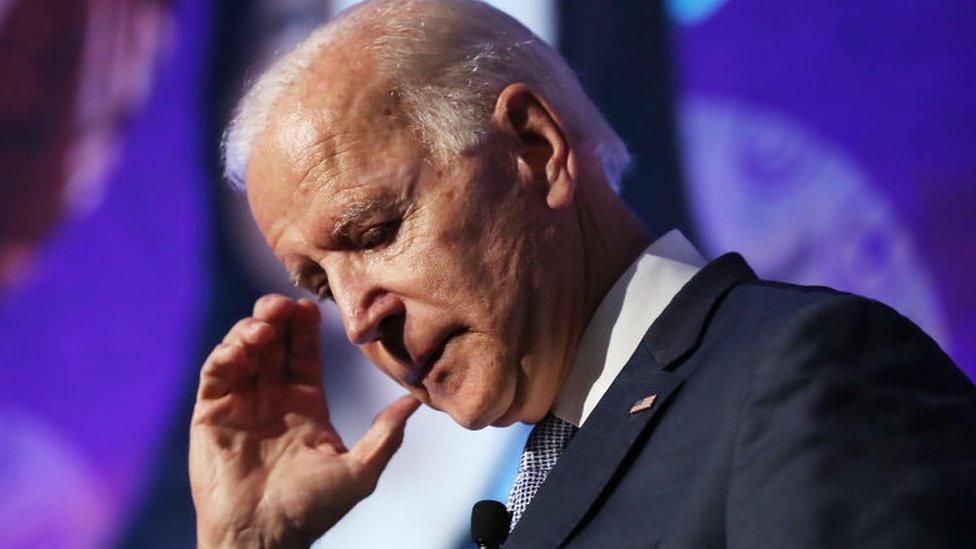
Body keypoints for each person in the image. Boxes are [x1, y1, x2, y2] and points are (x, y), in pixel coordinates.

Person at [188, 0, 976, 547]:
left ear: (536, 148)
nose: (359, 319)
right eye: (321, 283)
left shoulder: (801, 375)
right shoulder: (547, 474)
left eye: (375, 230)